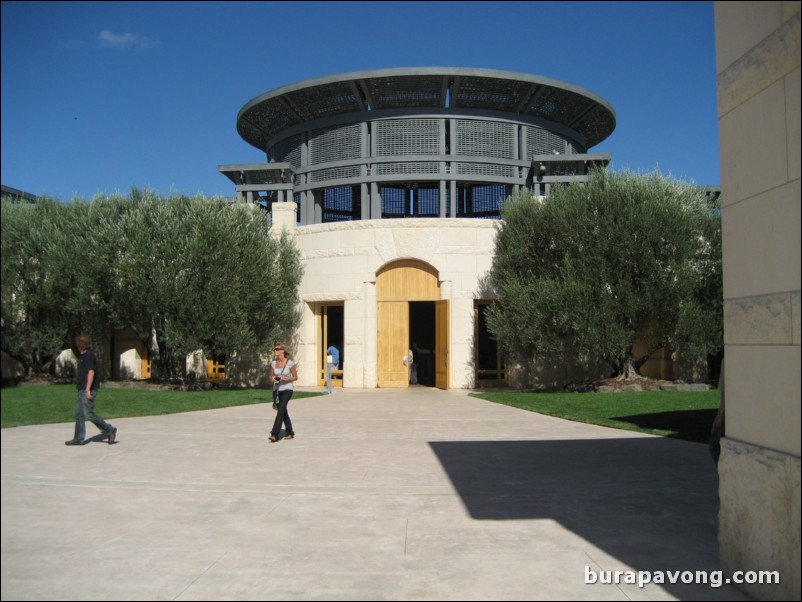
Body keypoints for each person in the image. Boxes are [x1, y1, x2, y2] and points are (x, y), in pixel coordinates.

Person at [65, 335, 117, 446]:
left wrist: (88, 389)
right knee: (79, 415)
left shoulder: (89, 356)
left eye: (78, 344)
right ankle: (78, 438)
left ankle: (109, 430)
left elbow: (91, 372)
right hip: (81, 389)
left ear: (81, 345)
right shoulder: (82, 356)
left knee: (88, 414)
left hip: (87, 389)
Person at [269, 344, 298, 442]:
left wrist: (286, 378)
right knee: (283, 410)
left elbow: (295, 377)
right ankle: (290, 432)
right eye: (275, 349)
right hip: (277, 390)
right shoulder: (273, 363)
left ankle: (274, 434)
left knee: (281, 409)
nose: (275, 350)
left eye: (277, 349)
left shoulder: (290, 363)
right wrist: (273, 379)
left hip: (287, 389)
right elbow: (271, 376)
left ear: (283, 351)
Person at [709, 358, 725, 465]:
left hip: (727, 413)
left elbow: (725, 390)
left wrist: (721, 413)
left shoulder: (727, 360)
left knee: (715, 446)